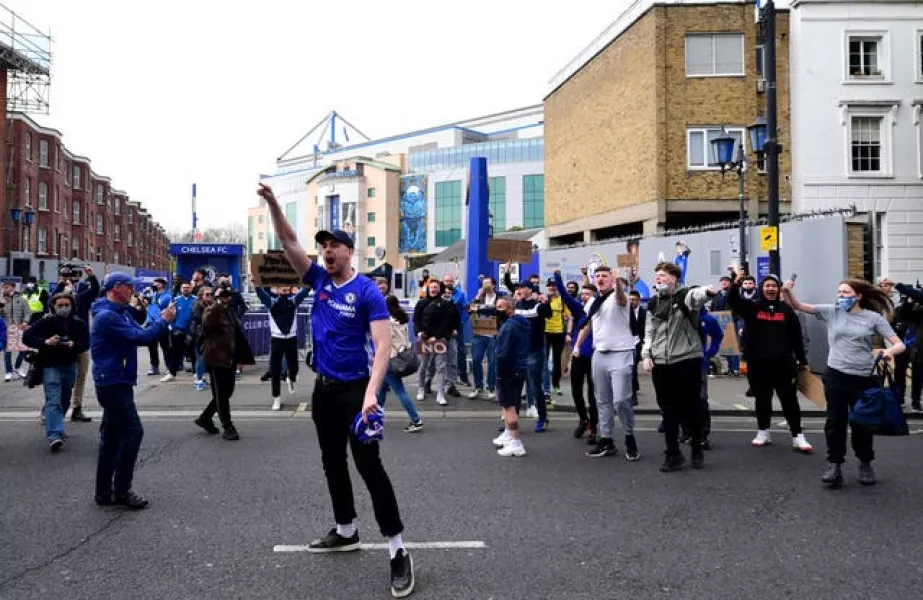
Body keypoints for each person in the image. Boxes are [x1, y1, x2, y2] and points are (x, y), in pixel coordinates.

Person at [258, 183, 413, 598]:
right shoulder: (316, 280)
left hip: (356, 391)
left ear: (349, 251)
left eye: (333, 246)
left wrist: (370, 397)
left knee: (370, 468)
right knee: (332, 462)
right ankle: (346, 529)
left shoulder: (365, 292)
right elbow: (289, 241)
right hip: (324, 392)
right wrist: (273, 203)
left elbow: (382, 347)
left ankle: (398, 550)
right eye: (322, 246)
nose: (325, 251)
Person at [782, 278, 904, 487]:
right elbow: (799, 306)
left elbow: (899, 344)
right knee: (835, 423)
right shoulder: (832, 311)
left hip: (865, 379)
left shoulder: (872, 318)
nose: (841, 297)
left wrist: (888, 352)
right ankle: (834, 465)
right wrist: (787, 292)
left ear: (858, 296)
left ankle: (865, 462)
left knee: (861, 423)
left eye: (846, 293)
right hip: (836, 376)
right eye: (839, 292)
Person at [92, 272, 176, 509]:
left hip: (117, 380)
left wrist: (155, 318)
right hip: (113, 382)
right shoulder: (109, 316)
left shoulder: (118, 312)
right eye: (130, 287)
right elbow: (143, 337)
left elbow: (139, 329)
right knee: (133, 432)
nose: (133, 292)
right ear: (117, 288)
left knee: (111, 437)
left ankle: (103, 492)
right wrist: (165, 320)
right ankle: (121, 490)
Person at [641, 262, 718, 472]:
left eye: (664, 275)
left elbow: (696, 296)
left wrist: (708, 291)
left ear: (674, 278)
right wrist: (646, 355)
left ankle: (695, 445)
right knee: (667, 410)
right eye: (657, 275)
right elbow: (650, 331)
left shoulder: (684, 295)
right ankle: (673, 454)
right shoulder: (654, 303)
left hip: (686, 359)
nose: (659, 278)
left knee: (691, 406)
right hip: (661, 362)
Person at [728, 272, 813, 453]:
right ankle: (763, 432)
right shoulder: (752, 308)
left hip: (784, 364)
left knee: (789, 400)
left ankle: (798, 435)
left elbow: (797, 337)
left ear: (778, 288)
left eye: (773, 285)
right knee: (762, 399)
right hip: (758, 363)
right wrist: (736, 283)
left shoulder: (787, 310)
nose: (770, 288)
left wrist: (803, 361)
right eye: (767, 285)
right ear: (761, 288)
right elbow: (733, 301)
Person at [574, 268, 640, 460]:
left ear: (612, 280)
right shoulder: (593, 302)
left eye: (605, 276)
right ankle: (607, 440)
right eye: (598, 276)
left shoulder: (620, 298)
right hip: (599, 354)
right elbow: (587, 325)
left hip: (621, 352)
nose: (601, 279)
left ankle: (629, 436)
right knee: (602, 400)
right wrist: (577, 346)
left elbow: (621, 297)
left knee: (621, 400)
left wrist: (619, 281)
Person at [22, 292, 90, 452]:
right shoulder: (46, 322)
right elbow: (27, 337)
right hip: (50, 365)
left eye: (67, 305)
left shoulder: (78, 324)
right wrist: (45, 342)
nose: (64, 308)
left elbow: (86, 343)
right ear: (53, 306)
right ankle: (54, 435)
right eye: (60, 305)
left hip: (69, 364)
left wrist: (74, 344)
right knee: (53, 398)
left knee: (64, 398)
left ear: (72, 306)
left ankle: (57, 425)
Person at [196, 286, 255, 440]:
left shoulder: (230, 311)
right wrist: (217, 302)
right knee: (221, 394)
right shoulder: (211, 311)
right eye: (221, 294)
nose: (225, 297)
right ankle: (228, 427)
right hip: (216, 358)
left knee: (226, 392)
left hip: (230, 358)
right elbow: (207, 324)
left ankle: (205, 418)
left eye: (227, 294)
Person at [555, 271, 599, 443]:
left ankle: (593, 428)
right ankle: (583, 419)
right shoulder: (579, 310)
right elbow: (565, 296)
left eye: (588, 294)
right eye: (583, 294)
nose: (584, 296)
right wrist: (558, 278)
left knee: (593, 395)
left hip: (595, 357)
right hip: (579, 356)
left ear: (595, 297)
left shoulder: (599, 310)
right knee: (576, 391)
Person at [53, 265, 100, 422]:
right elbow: (50, 302)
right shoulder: (59, 298)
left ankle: (77, 409)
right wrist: (62, 282)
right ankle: (52, 409)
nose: (71, 281)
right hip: (64, 344)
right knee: (62, 379)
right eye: (69, 279)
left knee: (81, 377)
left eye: (73, 278)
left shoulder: (81, 297)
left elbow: (95, 290)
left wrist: (91, 274)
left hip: (81, 343)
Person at [257, 284, 311, 411]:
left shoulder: (293, 301)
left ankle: (290, 378)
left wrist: (309, 283)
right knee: (275, 371)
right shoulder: (271, 302)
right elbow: (261, 293)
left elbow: (304, 292)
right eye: (282, 287)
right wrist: (256, 284)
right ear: (277, 289)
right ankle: (276, 398)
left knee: (294, 368)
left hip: (291, 339)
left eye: (287, 287)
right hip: (277, 340)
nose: (285, 289)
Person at [491, 297, 531, 457]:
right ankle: (508, 434)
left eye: (500, 307)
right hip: (518, 368)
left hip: (508, 369)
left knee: (509, 407)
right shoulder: (521, 323)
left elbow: (503, 352)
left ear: (509, 309)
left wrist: (499, 372)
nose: (497, 310)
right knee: (509, 404)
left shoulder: (509, 327)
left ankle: (516, 443)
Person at [379, 295, 423, 432]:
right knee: (380, 390)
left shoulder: (388, 322)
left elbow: (385, 342)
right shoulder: (402, 319)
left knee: (399, 391)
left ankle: (416, 420)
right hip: (401, 355)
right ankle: (376, 417)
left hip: (391, 359)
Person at [413, 279, 457, 406]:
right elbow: (416, 319)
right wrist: (418, 332)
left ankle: (440, 393)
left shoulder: (446, 304)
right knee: (422, 366)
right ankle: (420, 389)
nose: (433, 289)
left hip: (440, 339)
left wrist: (437, 336)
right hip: (423, 338)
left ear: (440, 289)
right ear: (428, 288)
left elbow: (447, 322)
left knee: (441, 367)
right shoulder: (421, 303)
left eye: (436, 287)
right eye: (431, 287)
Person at [467, 277, 501, 400]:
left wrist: (481, 309)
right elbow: (469, 309)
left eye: (487, 283)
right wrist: (477, 296)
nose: (485, 285)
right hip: (479, 334)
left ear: (494, 285)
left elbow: (499, 311)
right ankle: (478, 386)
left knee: (492, 362)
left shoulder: (499, 297)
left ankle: (491, 387)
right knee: (476, 360)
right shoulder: (480, 297)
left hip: (494, 335)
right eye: (483, 284)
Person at [162, 283, 196, 382]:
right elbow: (170, 314)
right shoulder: (175, 300)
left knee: (193, 353)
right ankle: (172, 373)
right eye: (184, 288)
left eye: (187, 288)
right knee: (175, 353)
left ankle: (197, 373)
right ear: (181, 289)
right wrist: (173, 328)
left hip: (191, 331)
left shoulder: (196, 299)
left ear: (191, 288)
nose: (186, 289)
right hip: (178, 331)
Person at [543, 278, 570, 397]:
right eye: (550, 285)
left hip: (558, 333)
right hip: (544, 332)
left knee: (557, 361)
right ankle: (544, 386)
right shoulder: (542, 299)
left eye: (554, 285)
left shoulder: (563, 300)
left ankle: (556, 384)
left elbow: (570, 318)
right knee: (543, 360)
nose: (552, 287)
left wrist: (568, 333)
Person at [144, 278, 173, 377]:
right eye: (153, 283)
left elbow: (168, 308)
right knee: (152, 347)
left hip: (161, 323)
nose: (154, 284)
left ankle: (169, 367)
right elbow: (142, 302)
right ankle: (154, 366)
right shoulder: (150, 294)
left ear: (162, 285)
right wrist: (146, 293)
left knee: (165, 347)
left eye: (156, 283)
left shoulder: (167, 296)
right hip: (150, 322)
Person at [1, 281, 29, 381]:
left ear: (13, 287)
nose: (4, 289)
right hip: (6, 328)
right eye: (3, 287)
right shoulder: (2, 300)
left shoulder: (21, 299)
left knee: (23, 350)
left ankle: (17, 367)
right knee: (7, 352)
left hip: (19, 327)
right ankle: (9, 372)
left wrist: (25, 322)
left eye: (7, 287)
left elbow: (27, 312)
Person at [629, 290, 646, 406]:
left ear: (639, 301)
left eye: (634, 300)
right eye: (629, 300)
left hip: (638, 343)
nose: (631, 302)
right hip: (626, 343)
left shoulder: (644, 313)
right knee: (630, 368)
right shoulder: (623, 311)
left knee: (633, 368)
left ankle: (633, 394)